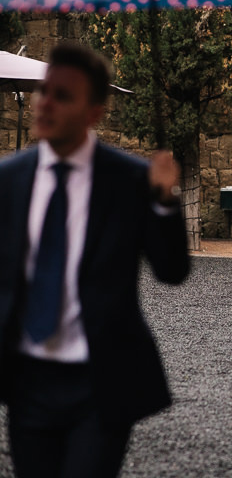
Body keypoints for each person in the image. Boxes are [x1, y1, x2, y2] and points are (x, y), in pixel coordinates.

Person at [0, 42, 190, 478]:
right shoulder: (9, 180)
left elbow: (172, 271)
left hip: (100, 382)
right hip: (27, 381)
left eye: (62, 95)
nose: (44, 103)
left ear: (94, 112)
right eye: (43, 91)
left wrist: (164, 200)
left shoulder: (127, 180)